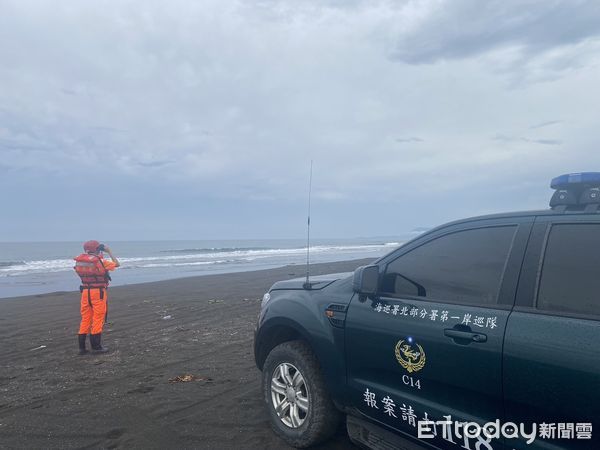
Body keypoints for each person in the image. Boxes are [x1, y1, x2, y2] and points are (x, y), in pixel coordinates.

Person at [74, 240, 120, 355]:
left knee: (85, 318)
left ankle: (82, 348)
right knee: (98, 318)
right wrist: (109, 251)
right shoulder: (101, 261)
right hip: (98, 292)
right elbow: (117, 264)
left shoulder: (79, 262)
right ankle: (96, 347)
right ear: (97, 249)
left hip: (85, 292)